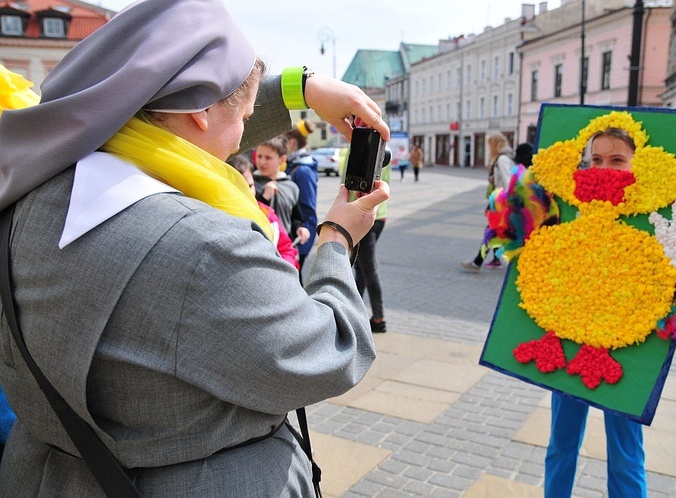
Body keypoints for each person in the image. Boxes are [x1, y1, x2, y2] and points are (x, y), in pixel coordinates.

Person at [0, 1, 391, 495]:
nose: (238, 143)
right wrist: (338, 237)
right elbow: (332, 353)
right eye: (244, 118)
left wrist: (301, 88)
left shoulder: (28, 188)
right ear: (201, 112)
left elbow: (167, 124)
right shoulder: (207, 248)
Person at [545, 127, 676, 498]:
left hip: (626, 349)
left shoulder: (655, 215)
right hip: (575, 337)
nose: (605, 169)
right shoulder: (572, 210)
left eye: (617, 160)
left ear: (637, 165)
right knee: (561, 443)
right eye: (596, 161)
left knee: (626, 452)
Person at [228, 154, 300, 270]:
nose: (248, 192)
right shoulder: (220, 216)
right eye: (240, 187)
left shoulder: (267, 213)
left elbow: (286, 248)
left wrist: (284, 268)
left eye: (250, 186)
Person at [460, 133, 515, 272]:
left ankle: (478, 262)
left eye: (489, 144)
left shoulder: (502, 159)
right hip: (500, 200)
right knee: (495, 231)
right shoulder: (506, 157)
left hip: (501, 201)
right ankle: (494, 260)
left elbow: (509, 182)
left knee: (491, 231)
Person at [352, 163, 391, 333]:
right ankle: (353, 311)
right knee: (361, 268)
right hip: (378, 215)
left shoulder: (363, 150)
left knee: (368, 269)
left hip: (363, 214)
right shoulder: (384, 150)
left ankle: (378, 318)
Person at [252, 136, 310, 247]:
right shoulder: (251, 184)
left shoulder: (291, 187)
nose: (262, 162)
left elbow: (295, 217)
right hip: (259, 247)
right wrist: (264, 198)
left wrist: (300, 228)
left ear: (282, 159)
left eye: (268, 158)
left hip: (285, 249)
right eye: (259, 156)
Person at [284, 119, 318, 277]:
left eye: (282, 141)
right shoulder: (293, 165)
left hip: (300, 238)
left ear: (291, 143)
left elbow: (307, 209)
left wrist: (300, 244)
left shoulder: (303, 171)